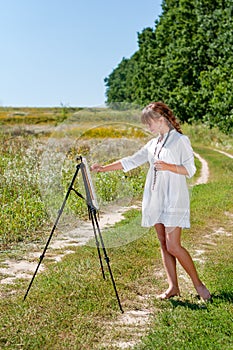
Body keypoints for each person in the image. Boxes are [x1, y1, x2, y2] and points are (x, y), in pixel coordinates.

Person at [91, 102, 211, 301]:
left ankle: (199, 285)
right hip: (155, 197)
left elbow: (190, 170)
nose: (148, 127)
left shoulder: (180, 141)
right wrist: (103, 168)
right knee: (163, 244)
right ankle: (173, 287)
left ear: (161, 119)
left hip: (173, 198)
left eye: (149, 123)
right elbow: (130, 161)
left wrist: (168, 166)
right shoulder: (153, 143)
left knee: (174, 246)